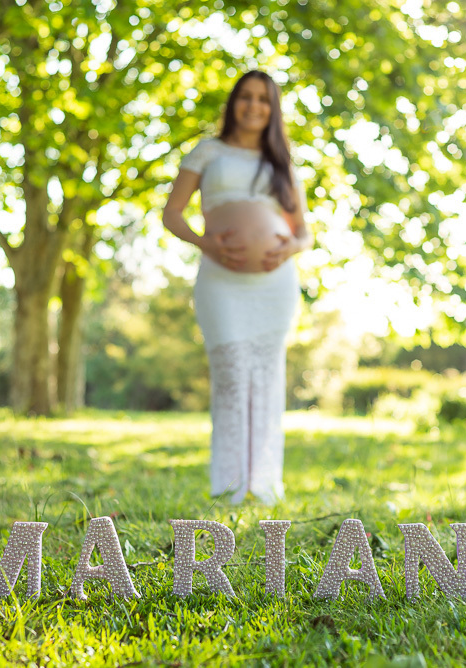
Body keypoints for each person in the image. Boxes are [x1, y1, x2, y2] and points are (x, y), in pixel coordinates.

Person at [162, 71, 313, 504]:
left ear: (273, 109)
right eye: (246, 97)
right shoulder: (208, 151)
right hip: (220, 281)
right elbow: (173, 213)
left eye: (263, 99)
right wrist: (203, 241)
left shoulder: (281, 162)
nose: (253, 106)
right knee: (231, 374)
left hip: (274, 285)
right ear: (234, 103)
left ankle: (263, 484)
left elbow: (304, 232)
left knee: (266, 378)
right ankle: (229, 484)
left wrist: (288, 250)